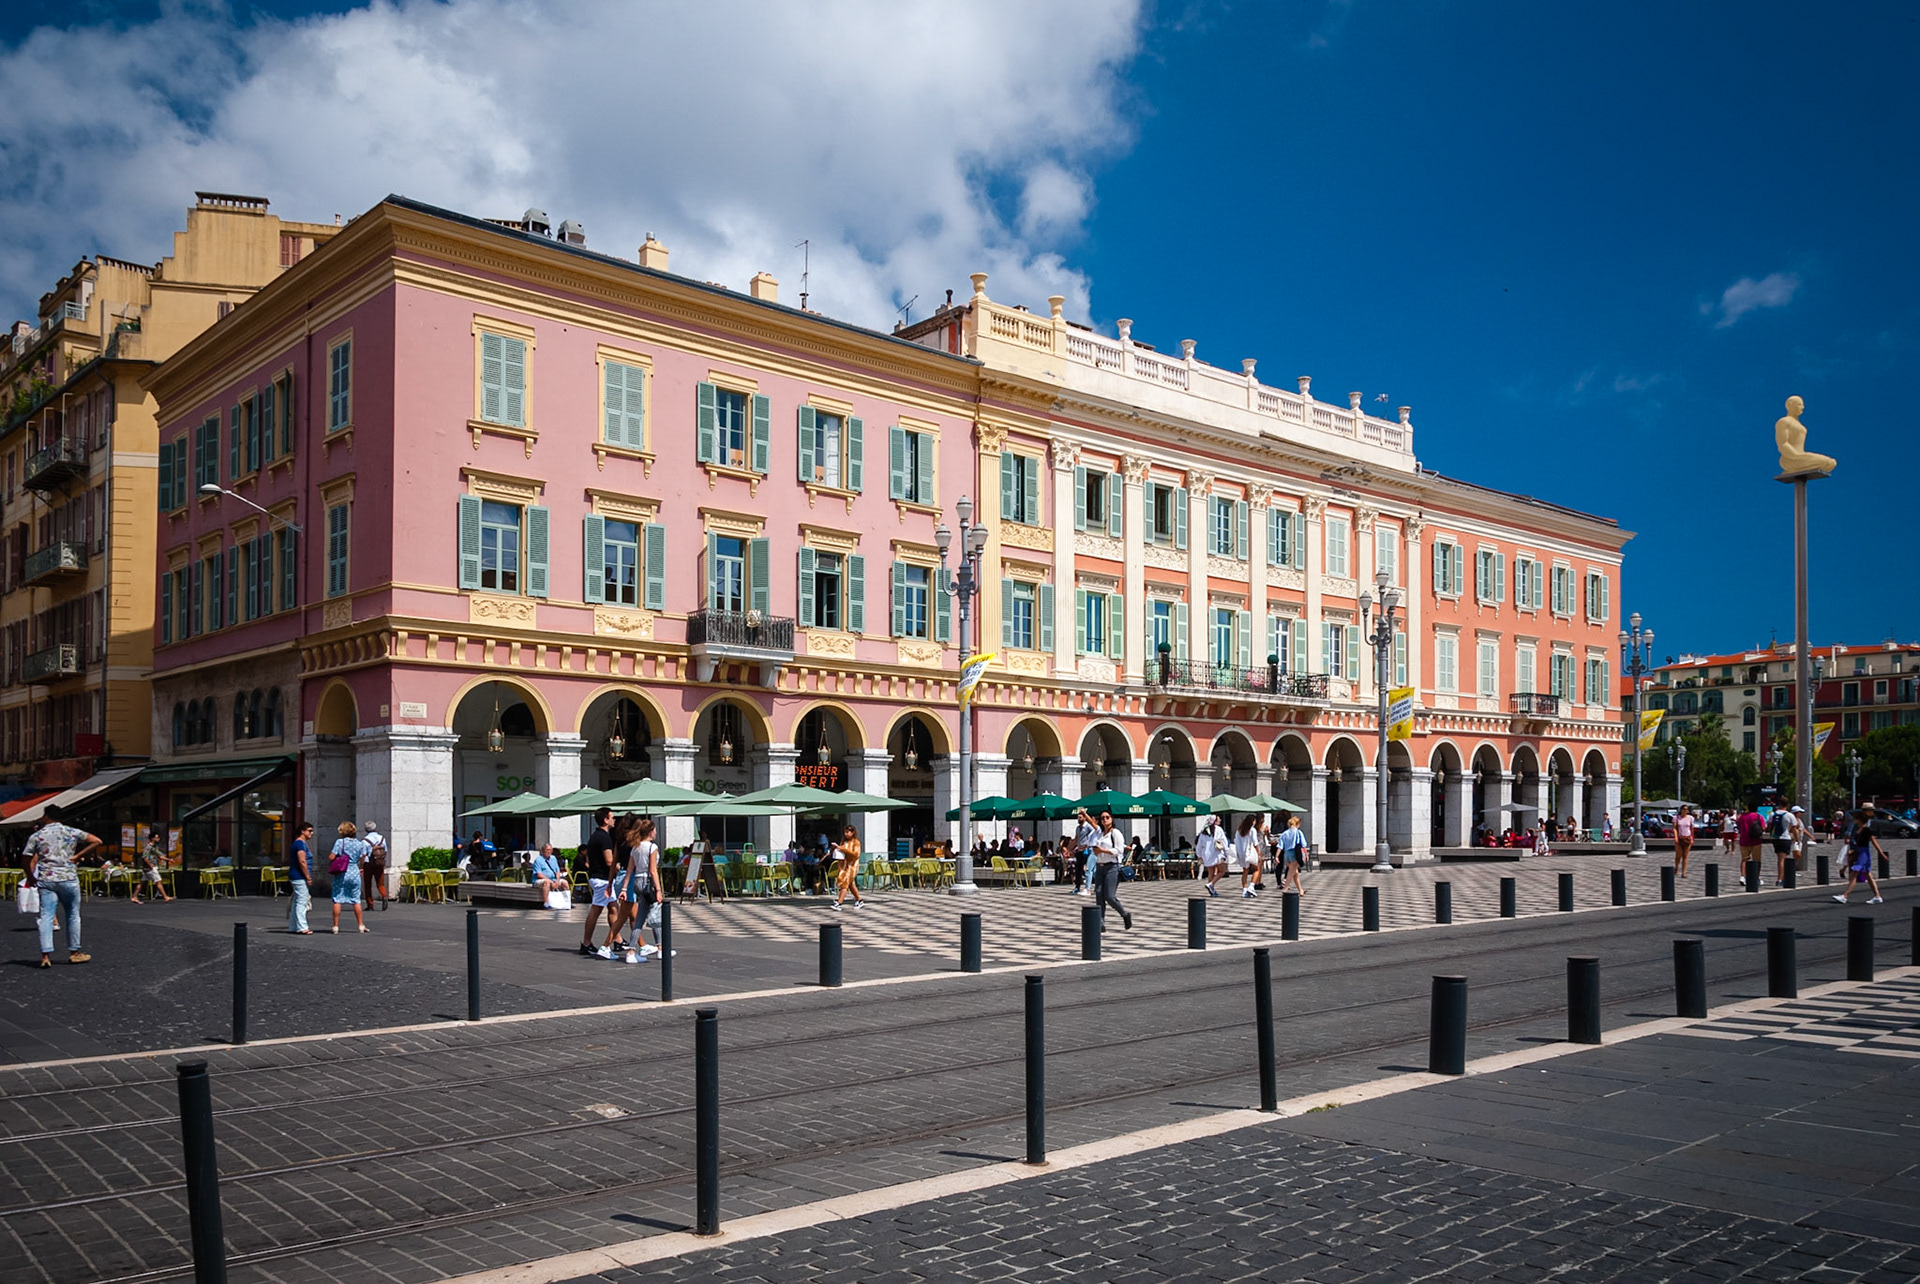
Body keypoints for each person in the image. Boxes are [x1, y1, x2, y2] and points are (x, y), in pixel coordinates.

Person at [26, 804, 101, 967]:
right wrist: (78, 856)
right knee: (73, 914)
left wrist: (30, 876)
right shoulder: (71, 832)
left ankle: (45, 956)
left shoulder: (37, 835)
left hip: (47, 879)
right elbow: (96, 841)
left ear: (47, 816)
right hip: (68, 878)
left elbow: (26, 857)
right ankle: (74, 952)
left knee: (46, 916)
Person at [620, 817, 663, 963]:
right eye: (654, 830)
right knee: (652, 915)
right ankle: (655, 949)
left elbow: (629, 870)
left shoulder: (635, 848)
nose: (655, 833)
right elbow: (653, 870)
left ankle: (657, 948)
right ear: (650, 832)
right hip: (648, 882)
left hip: (637, 882)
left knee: (643, 916)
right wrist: (658, 890)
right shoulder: (652, 847)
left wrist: (624, 888)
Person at [580, 807, 619, 958]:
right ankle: (586, 943)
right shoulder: (604, 838)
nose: (614, 820)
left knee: (614, 908)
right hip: (602, 879)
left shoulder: (595, 836)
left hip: (602, 878)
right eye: (612, 817)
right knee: (596, 910)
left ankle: (617, 939)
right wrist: (621, 867)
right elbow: (609, 861)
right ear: (605, 820)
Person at [1832, 809, 1887, 905]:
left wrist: (1881, 854)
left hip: (1864, 853)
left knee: (1854, 874)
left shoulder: (1866, 830)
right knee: (1868, 875)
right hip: (1860, 852)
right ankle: (1877, 896)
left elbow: (1874, 842)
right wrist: (1854, 852)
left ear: (1860, 820)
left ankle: (1845, 896)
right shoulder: (1859, 829)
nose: (1854, 820)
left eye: (1855, 819)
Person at [1090, 807, 1131, 930]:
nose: (1104, 820)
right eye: (1102, 818)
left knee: (1109, 896)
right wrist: (1096, 851)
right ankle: (1101, 923)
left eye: (1107, 817)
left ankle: (1124, 914)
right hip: (1100, 866)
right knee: (1099, 894)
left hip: (1112, 867)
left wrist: (1102, 850)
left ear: (1112, 819)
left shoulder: (1115, 833)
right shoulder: (1100, 834)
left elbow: (1119, 850)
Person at [327, 821, 371, 934]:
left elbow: (331, 857)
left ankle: (335, 926)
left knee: (337, 898)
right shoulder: (360, 844)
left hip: (341, 873)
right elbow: (363, 856)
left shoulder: (340, 842)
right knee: (356, 900)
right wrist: (360, 866)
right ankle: (360, 925)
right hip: (354, 872)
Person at [130, 831, 175, 905]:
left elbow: (160, 855)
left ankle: (134, 896)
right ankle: (165, 897)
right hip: (150, 868)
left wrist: (169, 859)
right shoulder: (148, 847)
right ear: (152, 838)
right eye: (157, 837)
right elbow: (144, 857)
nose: (158, 839)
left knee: (142, 882)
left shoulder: (154, 847)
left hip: (149, 868)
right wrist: (150, 865)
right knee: (158, 881)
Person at [829, 824, 865, 911]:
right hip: (844, 865)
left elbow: (856, 854)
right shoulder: (844, 842)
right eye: (845, 832)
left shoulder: (856, 842)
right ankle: (859, 900)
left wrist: (842, 849)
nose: (845, 834)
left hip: (852, 866)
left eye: (847, 832)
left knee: (844, 884)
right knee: (850, 884)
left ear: (852, 832)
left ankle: (839, 903)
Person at [287, 821, 314, 933]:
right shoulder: (300, 844)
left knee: (297, 900)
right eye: (309, 831)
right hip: (299, 876)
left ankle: (293, 926)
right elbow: (302, 861)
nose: (311, 833)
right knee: (302, 901)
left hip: (295, 875)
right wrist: (307, 876)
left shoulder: (298, 843)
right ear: (303, 831)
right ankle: (302, 927)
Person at [1275, 813, 1309, 895]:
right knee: (1291, 872)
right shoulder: (1298, 832)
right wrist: (1306, 854)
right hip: (1295, 853)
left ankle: (1300, 890)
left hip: (1286, 854)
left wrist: (1277, 856)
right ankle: (1285, 889)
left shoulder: (1284, 833)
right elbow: (1303, 845)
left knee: (1295, 872)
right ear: (1297, 824)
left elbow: (1280, 846)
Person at [1196, 814, 1227, 897]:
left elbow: (1199, 845)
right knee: (1222, 871)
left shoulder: (1204, 832)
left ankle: (1211, 890)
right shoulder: (1218, 829)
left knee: (1211, 872)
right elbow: (1224, 841)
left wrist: (1199, 855)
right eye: (1218, 820)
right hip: (1217, 853)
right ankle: (1211, 884)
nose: (1220, 821)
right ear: (1215, 821)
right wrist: (1226, 851)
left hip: (1207, 855)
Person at [1069, 808, 1098, 895]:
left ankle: (1092, 887)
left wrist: (1086, 845)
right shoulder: (1078, 828)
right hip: (1079, 850)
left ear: (1085, 818)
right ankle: (1077, 887)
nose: (1079, 819)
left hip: (1087, 850)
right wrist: (1070, 848)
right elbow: (1076, 838)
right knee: (1079, 869)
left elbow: (1092, 837)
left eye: (1080, 817)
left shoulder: (1088, 827)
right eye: (1078, 817)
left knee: (1090, 869)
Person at [361, 823, 390, 911]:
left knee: (367, 884)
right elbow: (385, 850)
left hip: (368, 864)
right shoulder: (382, 838)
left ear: (366, 829)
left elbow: (363, 855)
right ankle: (384, 895)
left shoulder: (365, 840)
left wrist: (361, 866)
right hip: (379, 863)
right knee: (380, 883)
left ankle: (370, 905)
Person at [1736, 805, 1766, 886]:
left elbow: (1739, 826)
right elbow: (1763, 828)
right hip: (1756, 841)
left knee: (1744, 859)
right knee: (1757, 861)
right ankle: (1756, 877)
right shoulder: (1759, 816)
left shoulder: (1742, 817)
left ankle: (1743, 876)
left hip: (1744, 840)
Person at [1767, 806, 1796, 886]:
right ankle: (1780, 879)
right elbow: (1794, 828)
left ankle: (1781, 877)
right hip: (1785, 838)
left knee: (1780, 859)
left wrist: (1771, 835)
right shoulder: (1789, 815)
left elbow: (1769, 826)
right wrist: (1797, 839)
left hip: (1776, 838)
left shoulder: (1772, 814)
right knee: (1782, 859)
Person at [1672, 805, 1695, 879]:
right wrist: (1676, 837)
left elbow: (1691, 828)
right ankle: (1676, 868)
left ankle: (1683, 872)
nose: (1685, 810)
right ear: (1681, 810)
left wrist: (1692, 837)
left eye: (1686, 809)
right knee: (1678, 855)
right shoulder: (1676, 818)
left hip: (1687, 837)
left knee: (1685, 856)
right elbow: (1674, 828)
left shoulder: (1690, 818)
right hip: (1680, 837)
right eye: (1683, 809)